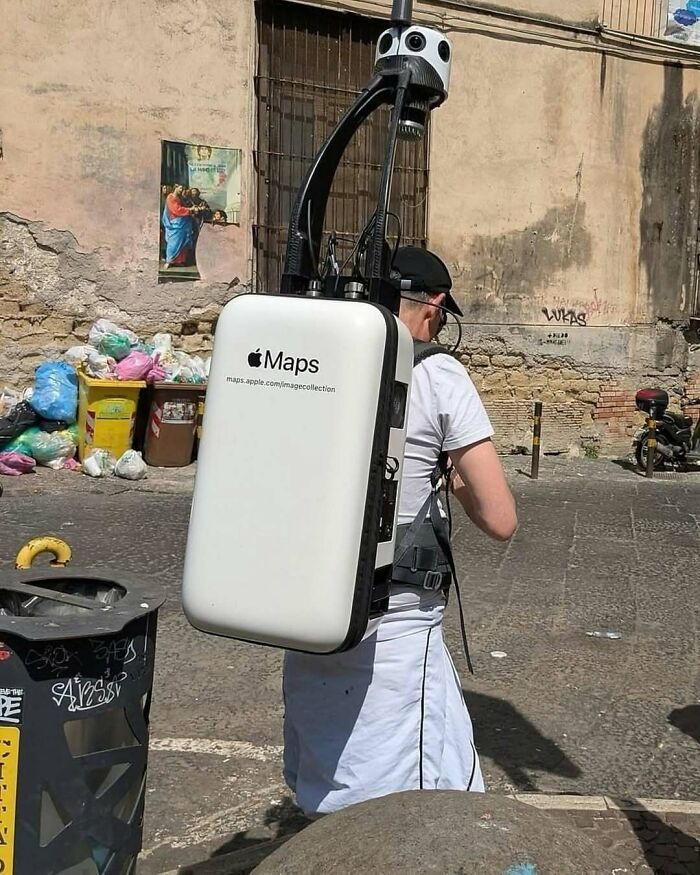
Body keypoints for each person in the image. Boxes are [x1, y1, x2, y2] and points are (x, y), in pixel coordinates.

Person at [282, 246, 517, 818]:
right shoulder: (436, 372)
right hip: (395, 622)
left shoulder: (311, 358)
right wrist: (448, 472)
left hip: (305, 606)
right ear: (435, 305)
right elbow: (500, 517)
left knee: (333, 770)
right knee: (403, 803)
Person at [161, 184, 195, 269]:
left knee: (183, 242)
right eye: (180, 188)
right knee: (174, 242)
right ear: (175, 188)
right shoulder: (170, 197)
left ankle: (179, 261)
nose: (181, 190)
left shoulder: (179, 198)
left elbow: (181, 208)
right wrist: (189, 210)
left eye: (182, 188)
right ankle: (170, 260)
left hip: (182, 222)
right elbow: (176, 209)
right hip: (175, 223)